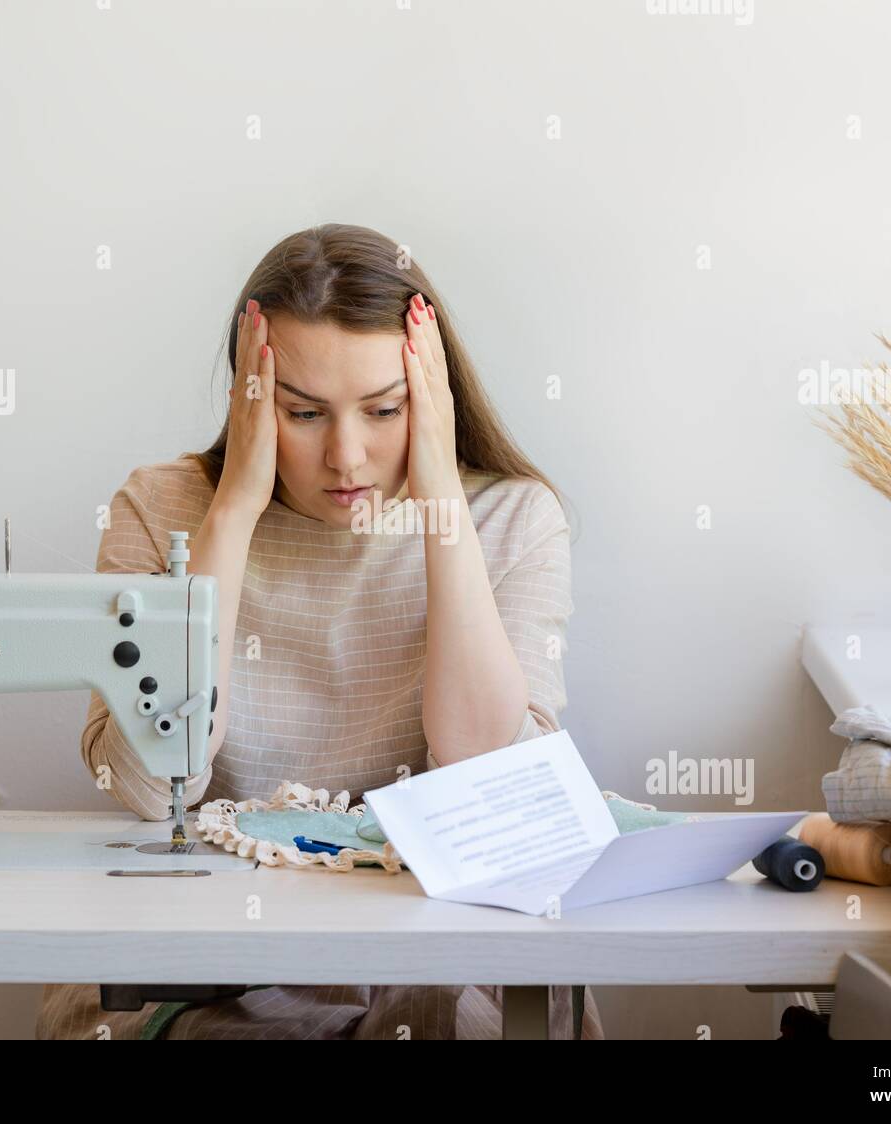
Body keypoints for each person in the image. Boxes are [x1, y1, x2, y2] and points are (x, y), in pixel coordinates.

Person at [36, 223, 602, 1039]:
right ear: (250, 399)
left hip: (437, 951)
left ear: (435, 397)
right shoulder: (160, 511)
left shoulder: (512, 520)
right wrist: (231, 509)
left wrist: (440, 501)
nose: (347, 456)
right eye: (303, 413)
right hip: (213, 958)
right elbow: (149, 783)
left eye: (384, 410)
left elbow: (492, 781)